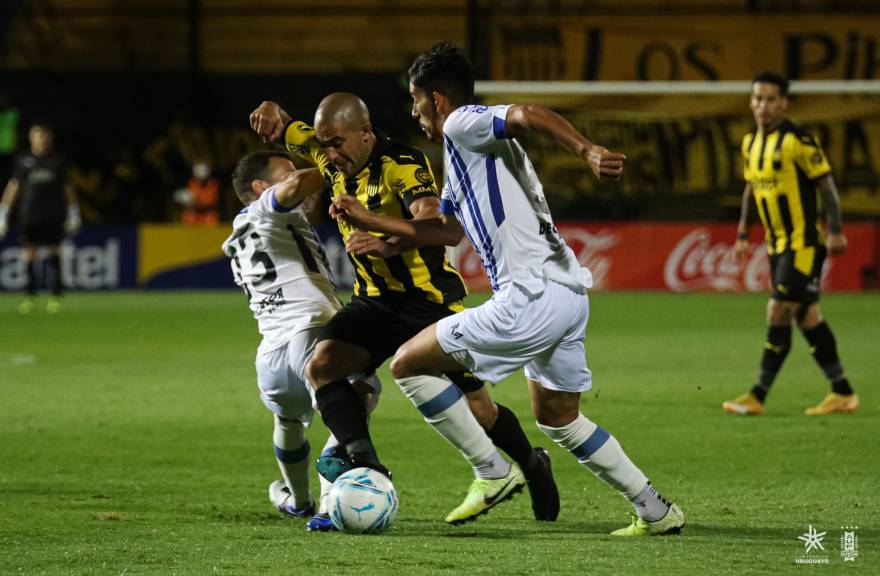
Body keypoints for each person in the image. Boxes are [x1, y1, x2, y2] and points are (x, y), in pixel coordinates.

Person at [331, 42, 685, 535]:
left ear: (436, 98)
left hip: (528, 296)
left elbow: (527, 113)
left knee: (408, 364)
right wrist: (382, 234)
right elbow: (446, 232)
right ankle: (655, 509)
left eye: (415, 100)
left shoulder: (461, 123)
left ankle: (491, 471)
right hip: (566, 292)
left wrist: (587, 149)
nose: (413, 113)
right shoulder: (463, 157)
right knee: (559, 417)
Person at [249, 92, 560, 523]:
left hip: (427, 303)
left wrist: (384, 240)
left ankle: (530, 463)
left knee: (479, 409)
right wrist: (271, 112)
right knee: (322, 366)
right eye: (324, 143)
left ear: (366, 133)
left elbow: (437, 227)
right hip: (374, 303)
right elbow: (285, 127)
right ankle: (365, 465)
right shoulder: (326, 153)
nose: (330, 153)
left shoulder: (403, 164)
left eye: (338, 142)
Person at [223, 150, 382, 532]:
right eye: (288, 172)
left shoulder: (241, 231)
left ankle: (298, 501)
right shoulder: (267, 209)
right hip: (308, 332)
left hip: (271, 357)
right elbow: (298, 185)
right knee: (360, 391)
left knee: (289, 418)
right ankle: (330, 506)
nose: (299, 177)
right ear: (261, 188)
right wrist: (335, 164)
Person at [722, 72, 858, 417]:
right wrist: (742, 233)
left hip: (804, 243)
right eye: (757, 99)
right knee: (808, 316)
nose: (762, 106)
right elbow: (751, 189)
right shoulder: (751, 143)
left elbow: (827, 187)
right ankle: (842, 391)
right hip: (776, 245)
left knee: (778, 309)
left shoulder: (799, 141)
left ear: (783, 103)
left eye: (769, 99)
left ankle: (758, 394)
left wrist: (836, 230)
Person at [0, 121, 80, 314]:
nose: (40, 139)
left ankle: (55, 296)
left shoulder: (58, 161)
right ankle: (29, 296)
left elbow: (68, 188)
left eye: (43, 135)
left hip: (53, 215)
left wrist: (73, 213)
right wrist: (2, 214)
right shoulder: (23, 160)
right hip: (29, 215)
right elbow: (13, 187)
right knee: (29, 254)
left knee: (54, 253)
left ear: (49, 138)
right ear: (31, 138)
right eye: (36, 135)